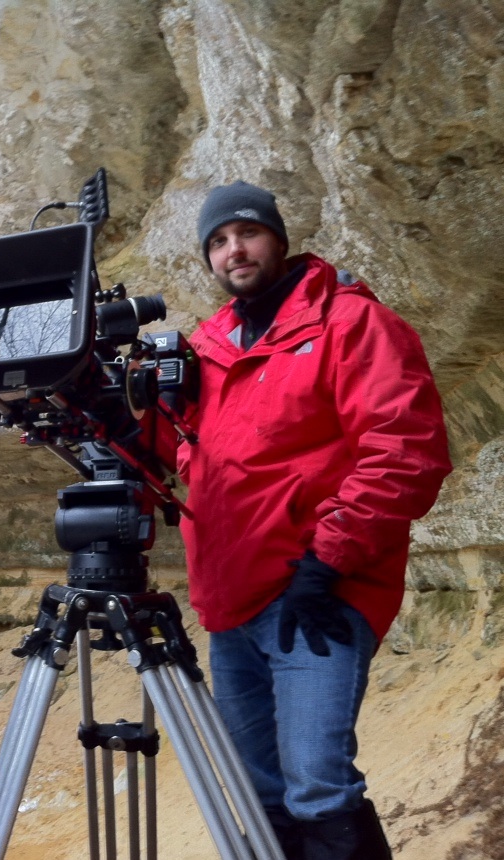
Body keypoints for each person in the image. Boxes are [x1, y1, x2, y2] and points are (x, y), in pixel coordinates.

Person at [176, 181, 451, 859]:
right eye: (217, 241)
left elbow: (404, 450)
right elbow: (187, 452)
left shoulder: (351, 322)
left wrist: (326, 561)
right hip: (230, 606)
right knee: (260, 794)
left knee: (317, 787)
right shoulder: (208, 348)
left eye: (246, 233)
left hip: (317, 593)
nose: (233, 250)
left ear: (279, 238)